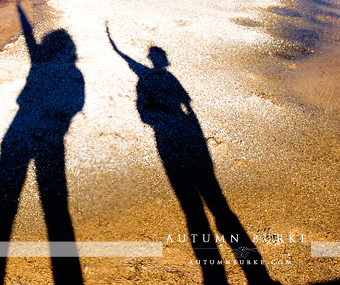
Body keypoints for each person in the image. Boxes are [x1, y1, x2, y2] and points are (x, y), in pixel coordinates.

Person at [107, 25, 279, 285]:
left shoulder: (148, 80)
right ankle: (257, 277)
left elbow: (145, 111)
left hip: (171, 144)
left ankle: (215, 277)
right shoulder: (164, 79)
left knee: (195, 211)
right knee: (220, 211)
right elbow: (185, 105)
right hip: (191, 142)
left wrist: (158, 116)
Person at [0, 3, 84, 285]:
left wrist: (23, 16)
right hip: (52, 139)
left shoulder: (45, 66)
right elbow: (75, 105)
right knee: (54, 202)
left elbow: (32, 44)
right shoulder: (72, 74)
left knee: (4, 199)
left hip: (26, 131)